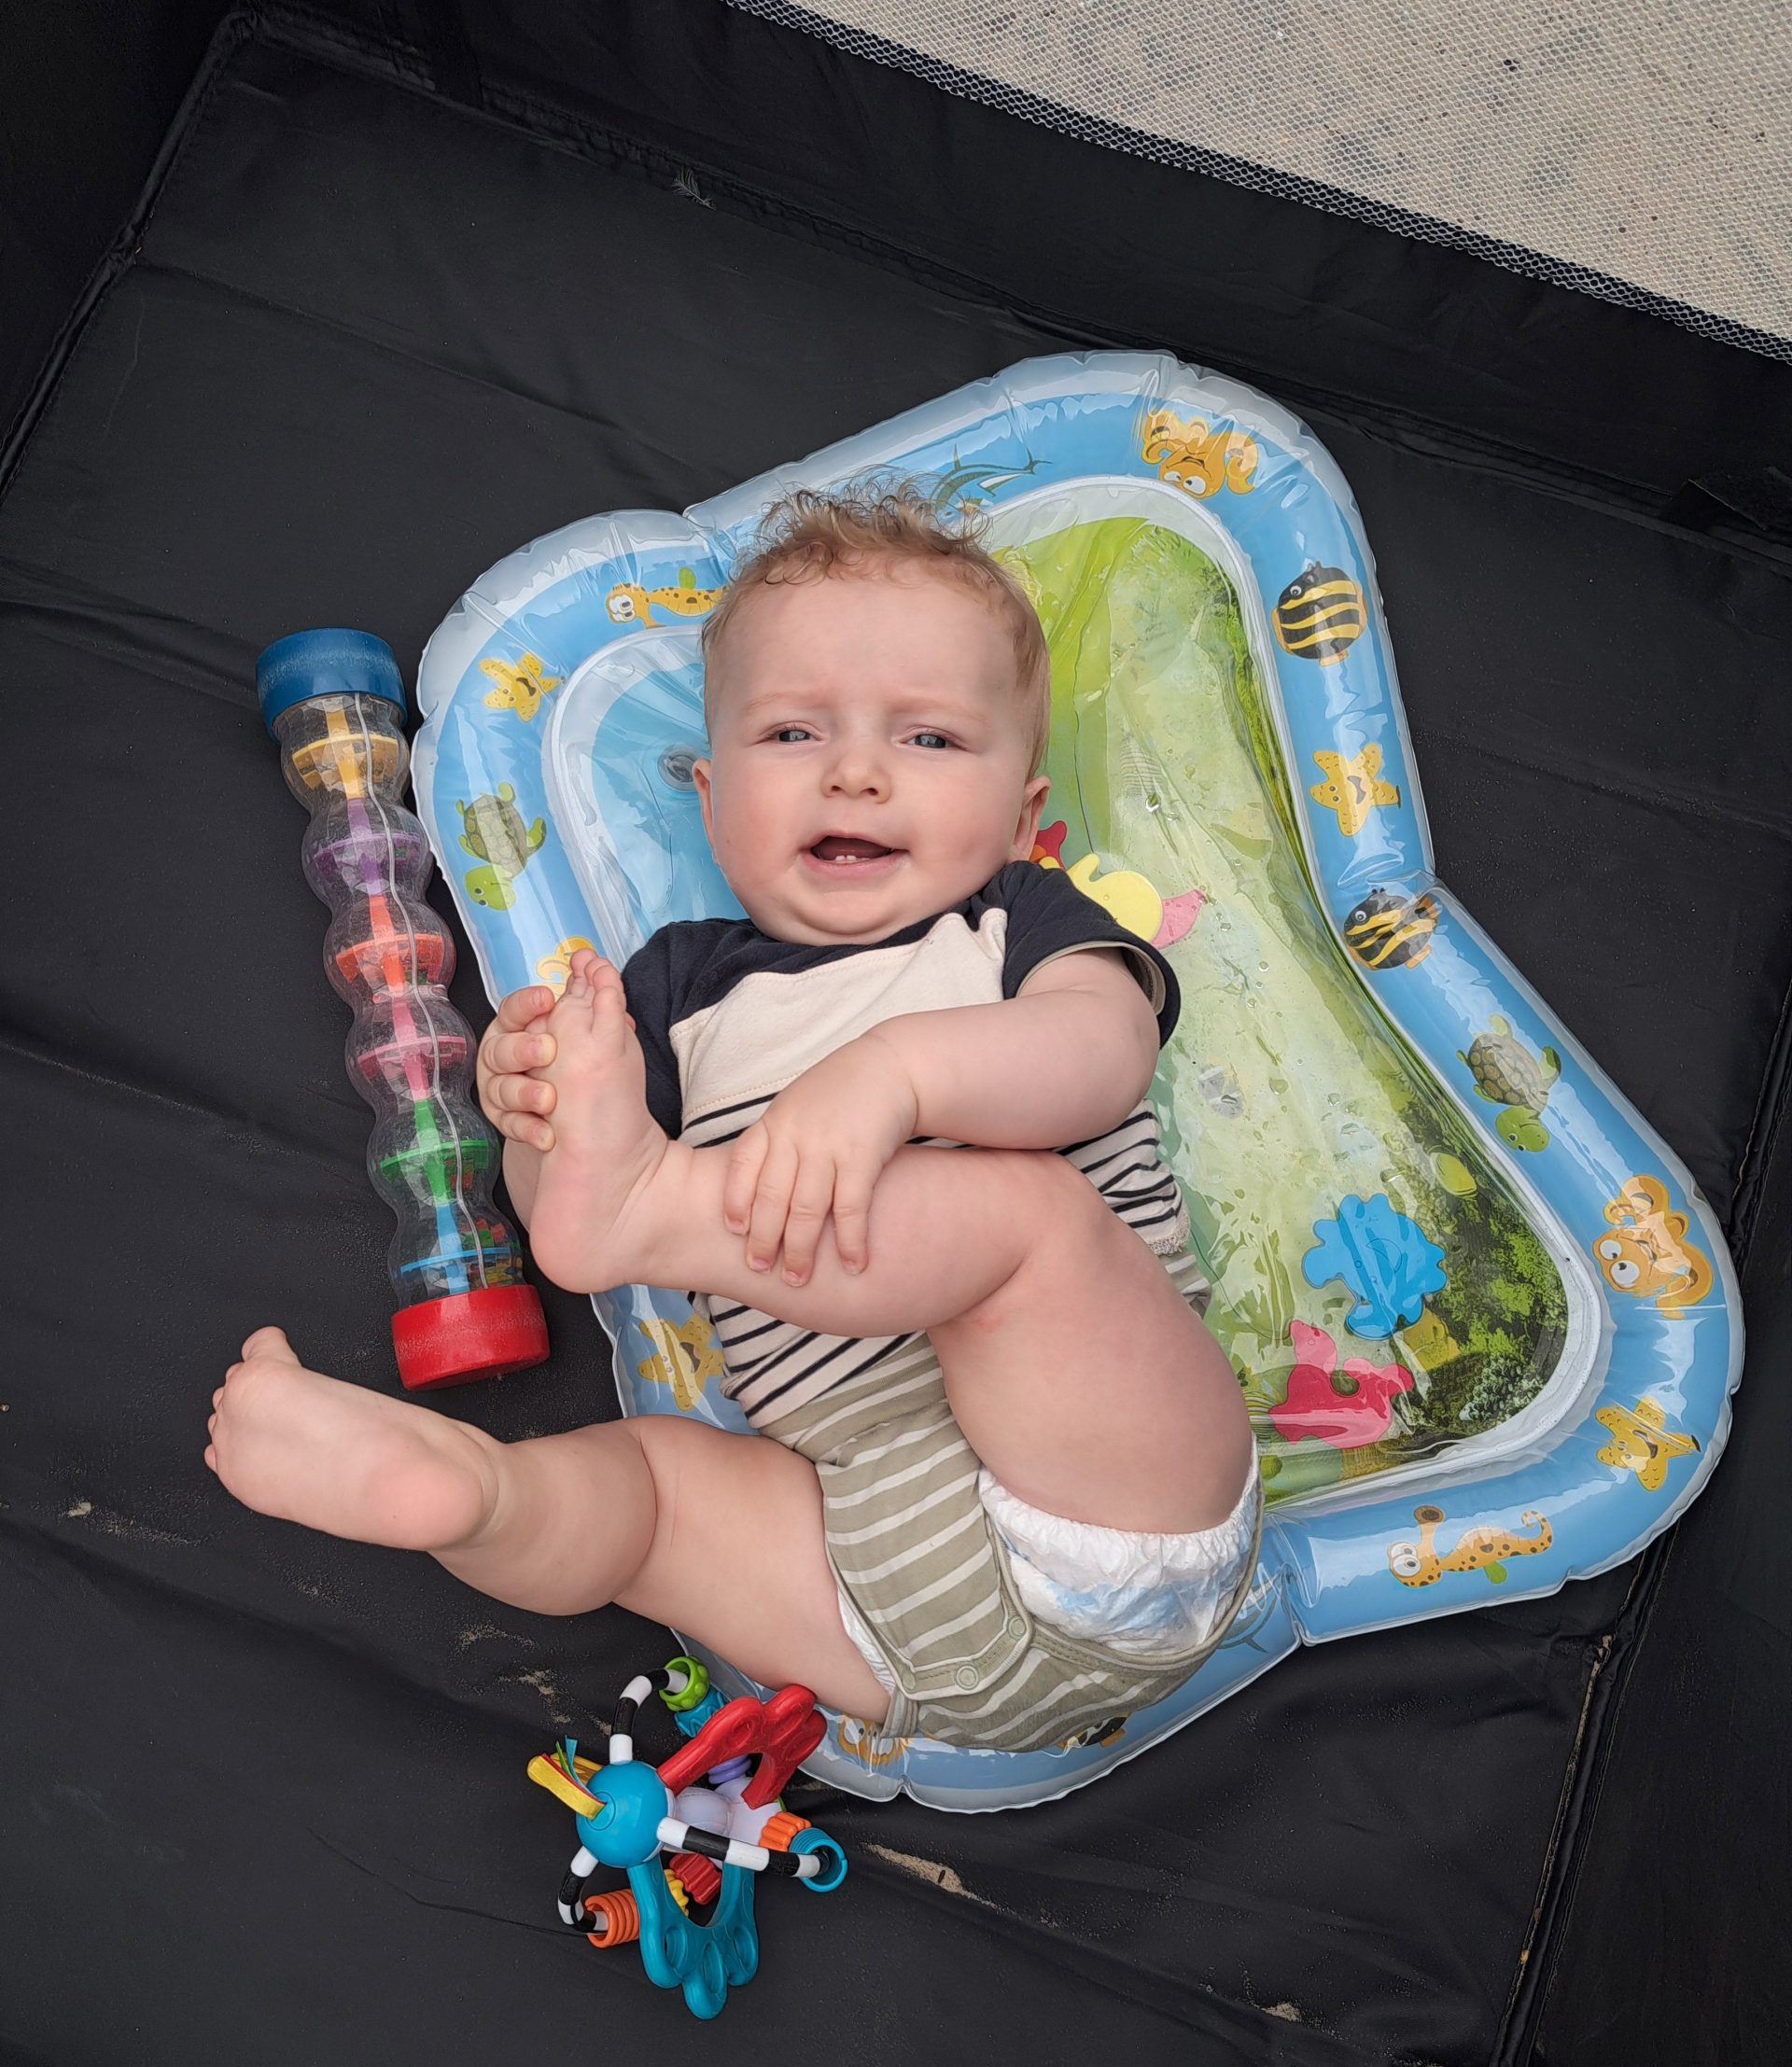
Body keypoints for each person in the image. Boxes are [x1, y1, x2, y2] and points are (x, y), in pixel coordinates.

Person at [206, 483, 1257, 1754]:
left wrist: (897, 1077)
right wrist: (539, 1117)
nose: (857, 771)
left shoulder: (1017, 924)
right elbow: (574, 1223)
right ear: (711, 800)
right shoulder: (675, 994)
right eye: (794, 733)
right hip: (889, 1590)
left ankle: (660, 1231)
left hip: (1121, 1496)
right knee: (653, 1497)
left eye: (929, 738)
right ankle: (480, 1496)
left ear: (1023, 818)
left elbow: (1103, 1054)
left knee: (1032, 1223)